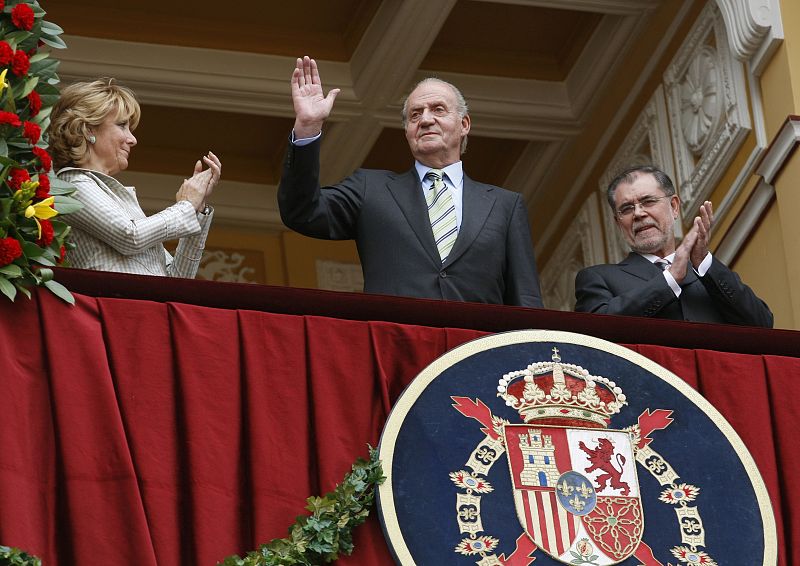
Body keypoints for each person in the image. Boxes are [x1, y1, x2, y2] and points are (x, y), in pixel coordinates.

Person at [278, 56, 542, 306]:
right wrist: (308, 128)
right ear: (407, 132)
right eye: (415, 115)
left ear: (464, 124)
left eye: (438, 109)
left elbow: (526, 300)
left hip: (477, 350)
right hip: (397, 346)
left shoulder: (505, 206)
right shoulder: (371, 189)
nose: (426, 120)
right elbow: (303, 212)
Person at [48, 78, 222, 277]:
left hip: (145, 307)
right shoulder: (73, 184)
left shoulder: (110, 195)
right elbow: (130, 236)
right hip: (115, 307)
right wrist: (186, 207)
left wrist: (197, 208)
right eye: (122, 125)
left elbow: (177, 279)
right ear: (88, 130)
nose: (132, 139)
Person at [574, 165, 773, 327]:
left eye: (648, 201)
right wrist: (670, 279)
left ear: (674, 206)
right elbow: (596, 331)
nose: (638, 213)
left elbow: (762, 324)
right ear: (618, 223)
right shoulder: (598, 277)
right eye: (626, 209)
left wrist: (704, 263)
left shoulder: (707, 273)